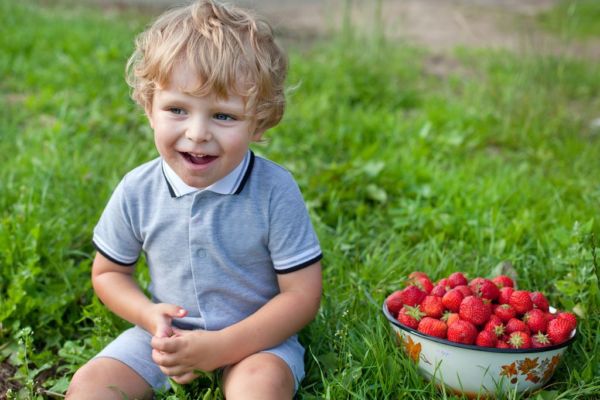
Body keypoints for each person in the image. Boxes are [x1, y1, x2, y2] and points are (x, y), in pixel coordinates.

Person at [66, 1, 322, 399]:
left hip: (257, 340)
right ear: (149, 107)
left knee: (260, 388)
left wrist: (222, 347)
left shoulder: (273, 191)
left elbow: (302, 295)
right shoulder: (138, 189)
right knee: (91, 386)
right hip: (166, 338)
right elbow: (109, 274)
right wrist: (149, 316)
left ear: (260, 121)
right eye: (177, 109)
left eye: (223, 116)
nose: (198, 133)